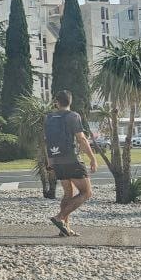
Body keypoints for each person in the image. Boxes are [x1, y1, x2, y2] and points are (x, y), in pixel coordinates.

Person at [44, 90, 97, 237]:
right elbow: (81, 139)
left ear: (57, 102)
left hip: (56, 160)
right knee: (86, 192)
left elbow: (47, 141)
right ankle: (59, 218)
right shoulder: (73, 116)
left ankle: (64, 228)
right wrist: (92, 158)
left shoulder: (49, 118)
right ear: (70, 101)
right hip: (72, 160)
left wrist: (50, 163)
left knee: (68, 194)